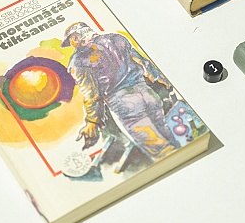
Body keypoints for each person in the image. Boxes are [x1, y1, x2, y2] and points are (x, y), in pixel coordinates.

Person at [61, 22, 180, 161]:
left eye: (71, 41)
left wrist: (92, 121)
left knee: (161, 151)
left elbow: (91, 94)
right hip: (147, 93)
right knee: (166, 134)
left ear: (75, 38)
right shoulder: (116, 38)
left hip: (123, 103)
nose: (72, 45)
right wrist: (161, 78)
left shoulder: (79, 61)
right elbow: (143, 62)